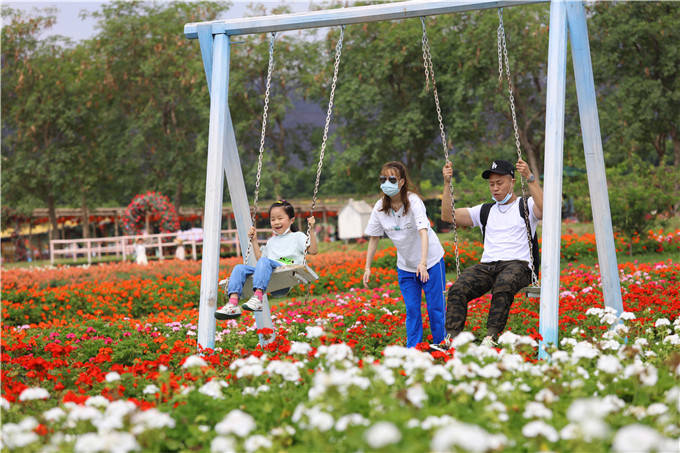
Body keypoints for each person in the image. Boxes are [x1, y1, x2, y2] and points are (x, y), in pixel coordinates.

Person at [435, 158, 543, 349]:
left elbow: (544, 209)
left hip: (518, 265)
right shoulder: (485, 210)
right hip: (488, 266)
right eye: (491, 184)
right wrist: (447, 184)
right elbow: (447, 216)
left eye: (499, 183)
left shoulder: (525, 206)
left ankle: (491, 337)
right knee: (458, 288)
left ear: (512, 181)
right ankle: (451, 339)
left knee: (504, 283)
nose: (495, 188)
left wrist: (530, 178)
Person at [363, 161, 447, 348]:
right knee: (412, 309)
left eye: (391, 179)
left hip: (431, 262)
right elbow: (374, 238)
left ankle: (441, 345)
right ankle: (414, 349)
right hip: (406, 266)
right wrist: (368, 267)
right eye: (383, 179)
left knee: (436, 308)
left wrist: (423, 263)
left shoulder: (414, 201)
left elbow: (423, 231)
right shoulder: (379, 208)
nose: (386, 183)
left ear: (401, 182)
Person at [215, 200, 318, 320]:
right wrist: (254, 241)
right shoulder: (271, 241)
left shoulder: (298, 236)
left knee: (265, 262)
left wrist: (310, 229)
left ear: (291, 220)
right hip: (270, 274)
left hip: (287, 272)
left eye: (280, 218)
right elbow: (260, 260)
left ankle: (258, 298)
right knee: (239, 268)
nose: (276, 222)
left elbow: (313, 251)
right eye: (273, 219)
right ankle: (232, 304)